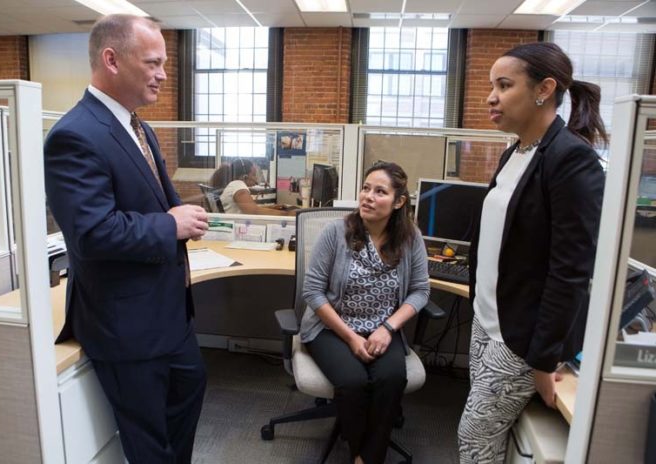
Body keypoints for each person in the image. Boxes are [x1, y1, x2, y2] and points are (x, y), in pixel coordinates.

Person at [44, 15, 209, 464]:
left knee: (189, 394)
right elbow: (92, 233)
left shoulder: (139, 126)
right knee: (148, 441)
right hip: (126, 325)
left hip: (170, 315)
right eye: (153, 63)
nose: (162, 74)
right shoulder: (74, 135)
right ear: (111, 59)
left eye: (164, 64)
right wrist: (170, 226)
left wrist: (182, 218)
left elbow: (158, 204)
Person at [457, 42, 607, 463]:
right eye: (492, 86)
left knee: (473, 437)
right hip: (488, 321)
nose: (491, 97)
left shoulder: (572, 160)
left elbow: (571, 271)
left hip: (519, 337)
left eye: (504, 85)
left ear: (544, 89)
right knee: (485, 439)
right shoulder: (516, 151)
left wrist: (544, 358)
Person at [300, 161, 431, 464]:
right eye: (366, 188)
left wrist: (388, 328)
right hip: (331, 328)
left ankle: (366, 459)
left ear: (399, 202)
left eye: (380, 191)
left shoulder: (411, 238)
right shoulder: (336, 232)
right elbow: (312, 291)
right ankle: (362, 453)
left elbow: (420, 291)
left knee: (391, 378)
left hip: (382, 328)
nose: (368, 196)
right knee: (353, 382)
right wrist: (350, 338)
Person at [210, 159, 294, 216]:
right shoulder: (238, 185)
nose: (256, 178)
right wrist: (286, 214)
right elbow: (253, 211)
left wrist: (273, 207)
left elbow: (251, 208)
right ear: (245, 176)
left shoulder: (234, 185)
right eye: (253, 174)